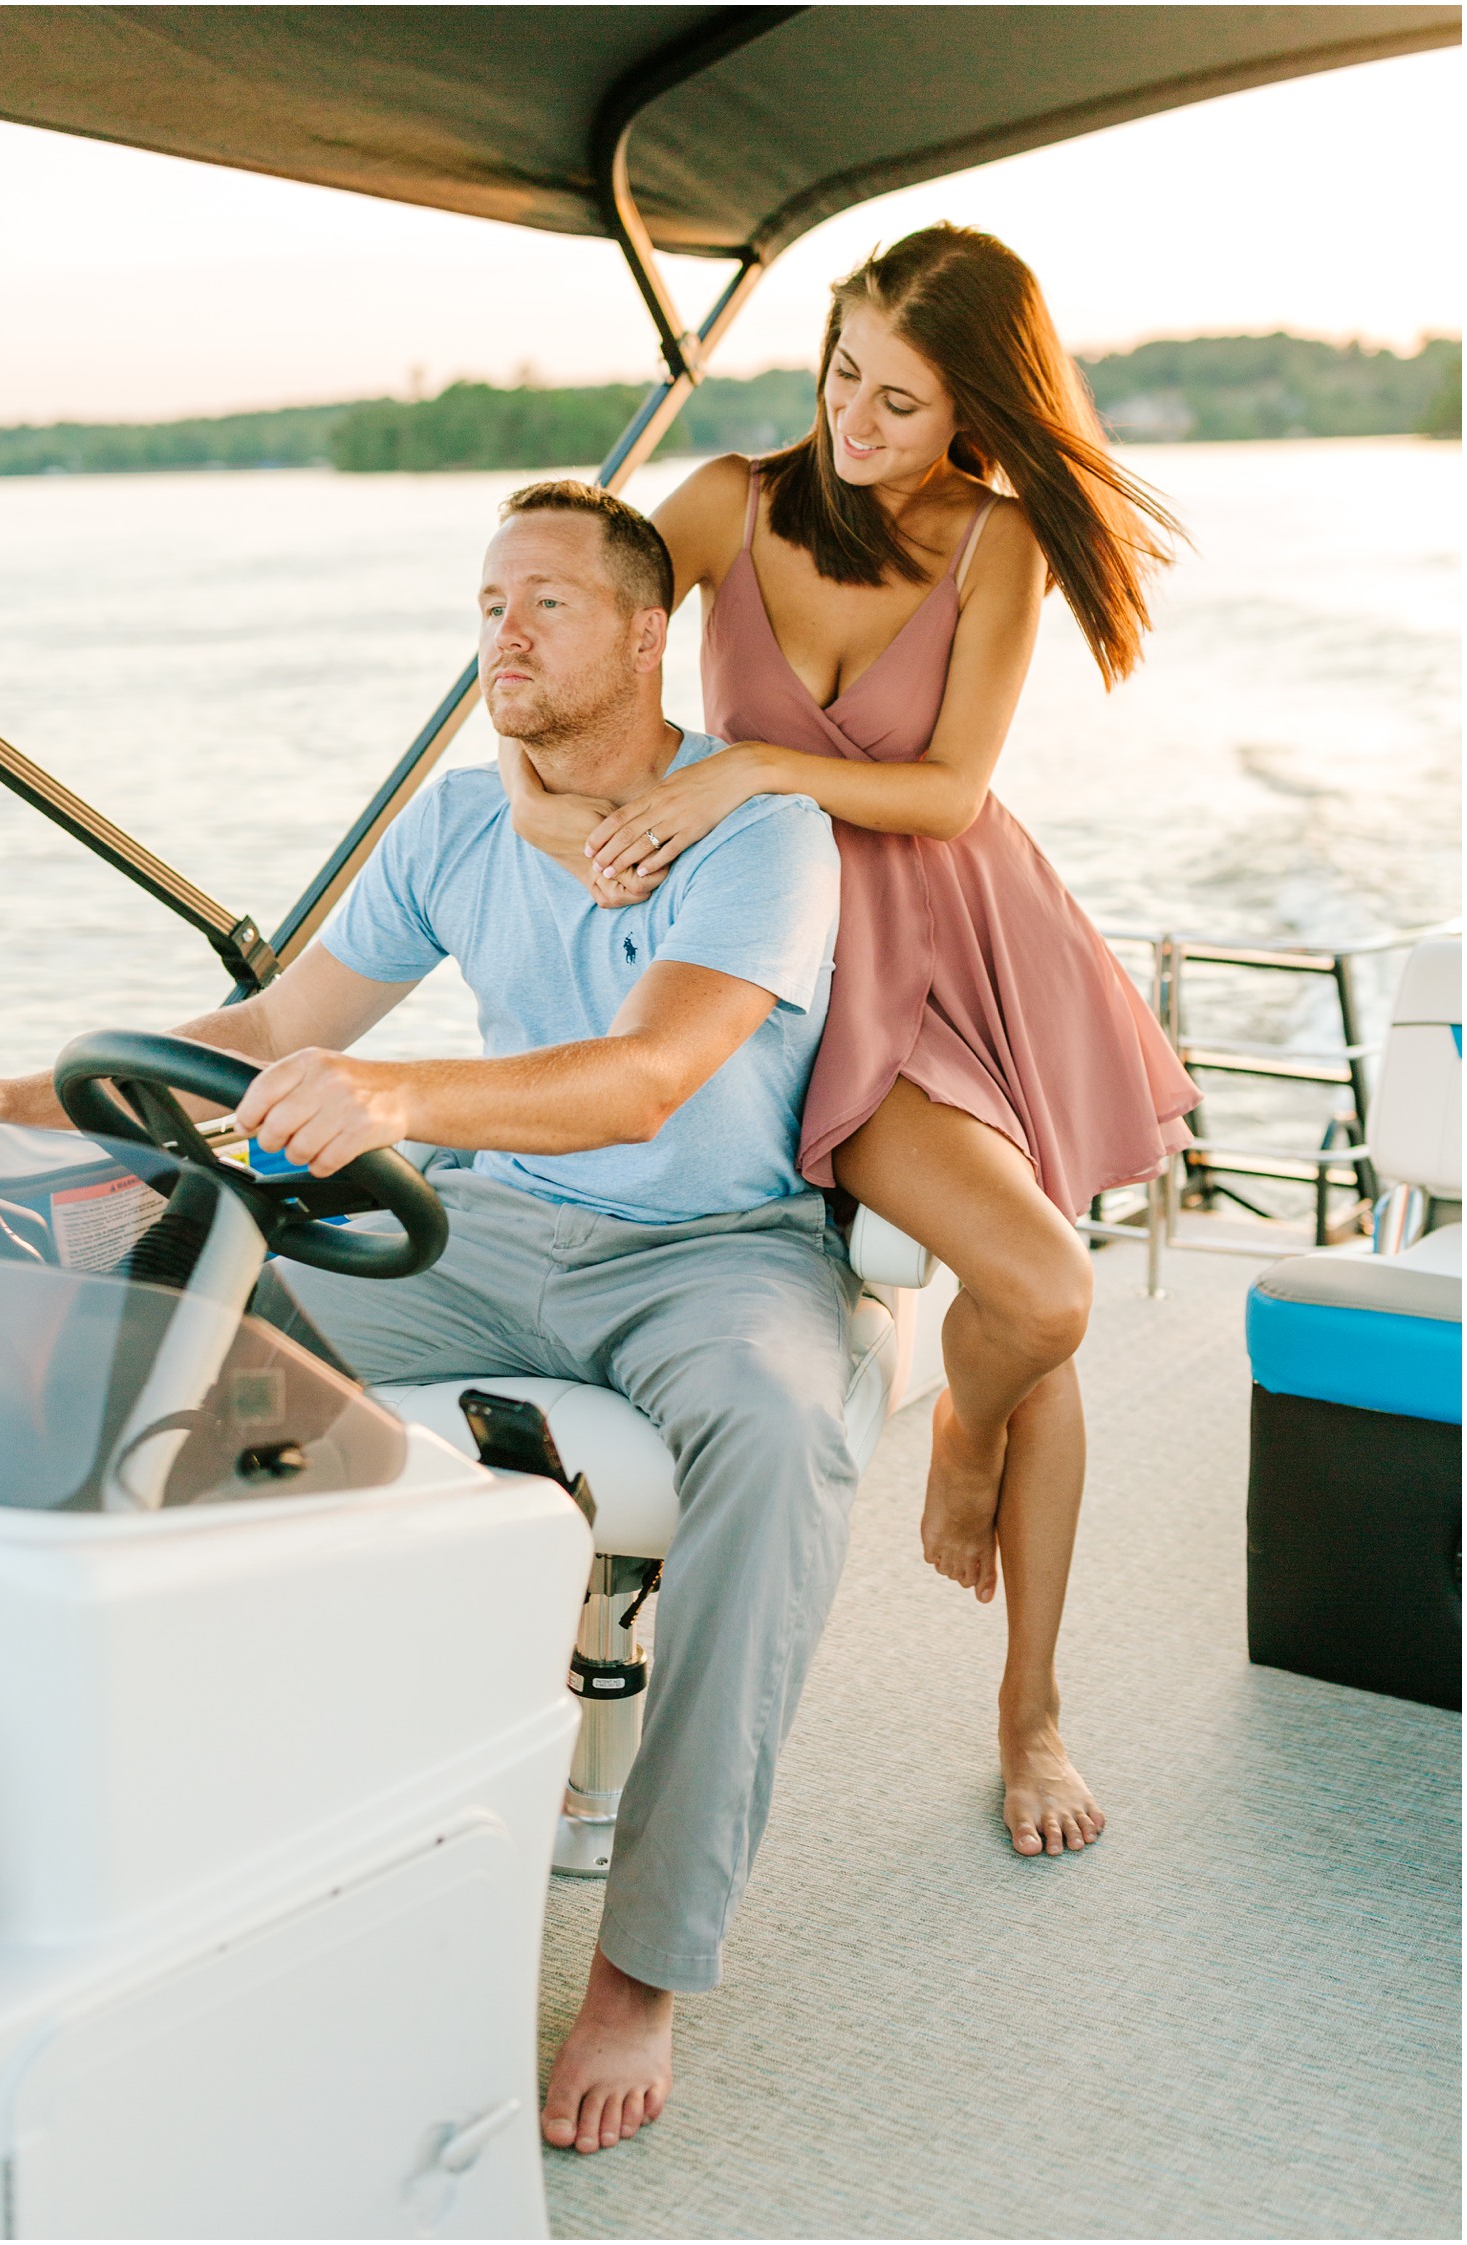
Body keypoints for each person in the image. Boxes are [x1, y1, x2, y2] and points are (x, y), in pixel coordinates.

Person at [0, 482, 854, 2158]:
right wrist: (21, 1086)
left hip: (713, 1249)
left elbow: (646, 1076)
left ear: (649, 628)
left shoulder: (759, 832)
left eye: (546, 605)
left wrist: (390, 1089)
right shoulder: (455, 823)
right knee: (184, 1336)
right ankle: (160, 1795)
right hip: (502, 1227)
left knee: (784, 1430)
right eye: (486, 603)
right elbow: (280, 1021)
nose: (502, 637)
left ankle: (643, 1966)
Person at [503, 224, 1201, 1861]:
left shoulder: (999, 543)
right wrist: (544, 801)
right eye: (840, 375)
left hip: (954, 943)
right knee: (1036, 1297)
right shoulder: (729, 501)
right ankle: (978, 1469)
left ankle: (1014, 1642)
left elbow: (950, 791)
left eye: (900, 399)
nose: (856, 420)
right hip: (790, 957)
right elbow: (564, 634)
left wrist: (742, 768)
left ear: (978, 410)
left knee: (1035, 1306)